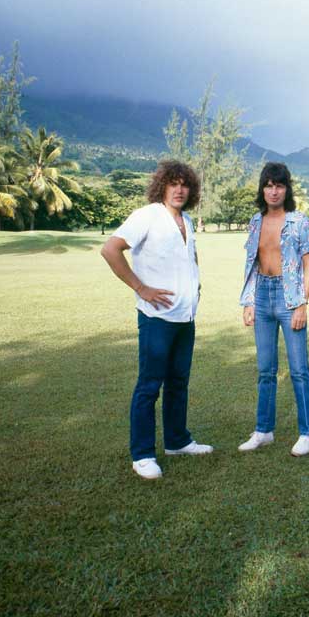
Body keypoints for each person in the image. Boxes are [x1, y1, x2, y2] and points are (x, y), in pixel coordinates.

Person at [100, 160, 214, 480]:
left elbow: (190, 257)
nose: (179, 189)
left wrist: (196, 285)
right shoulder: (147, 216)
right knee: (150, 385)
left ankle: (177, 441)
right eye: (173, 183)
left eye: (184, 184)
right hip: (156, 318)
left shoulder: (187, 220)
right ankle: (143, 454)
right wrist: (141, 288)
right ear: (162, 186)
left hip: (184, 317)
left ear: (190, 189)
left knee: (178, 382)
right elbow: (110, 250)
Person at [238, 162, 309, 457]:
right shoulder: (255, 221)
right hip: (261, 295)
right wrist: (248, 301)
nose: (274, 191)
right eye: (269, 185)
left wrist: (302, 304)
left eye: (279, 185)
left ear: (287, 189)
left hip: (289, 298)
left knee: (299, 370)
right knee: (265, 370)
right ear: (263, 189)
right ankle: (263, 431)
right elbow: (252, 263)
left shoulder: (299, 221)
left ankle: (307, 432)